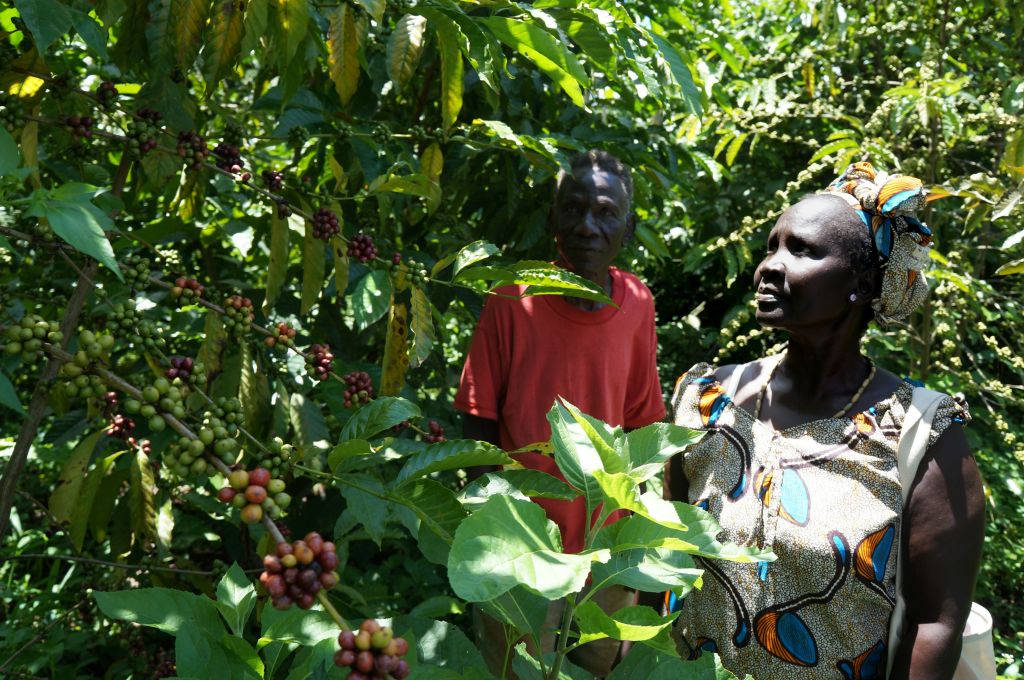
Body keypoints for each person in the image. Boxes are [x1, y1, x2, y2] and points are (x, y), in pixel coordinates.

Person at [665, 162, 984, 679]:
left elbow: (935, 621)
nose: (770, 265)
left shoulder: (923, 435)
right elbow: (662, 548)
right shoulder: (707, 400)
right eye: (771, 245)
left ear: (860, 285)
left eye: (802, 250)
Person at [454, 150, 666, 676]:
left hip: (605, 547)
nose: (587, 227)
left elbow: (641, 423)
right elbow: (477, 421)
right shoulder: (512, 296)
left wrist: (644, 541)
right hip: (520, 549)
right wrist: (497, 527)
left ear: (628, 226)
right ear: (552, 220)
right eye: (572, 209)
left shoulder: (637, 302)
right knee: (515, 670)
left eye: (605, 212)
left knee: (596, 669)